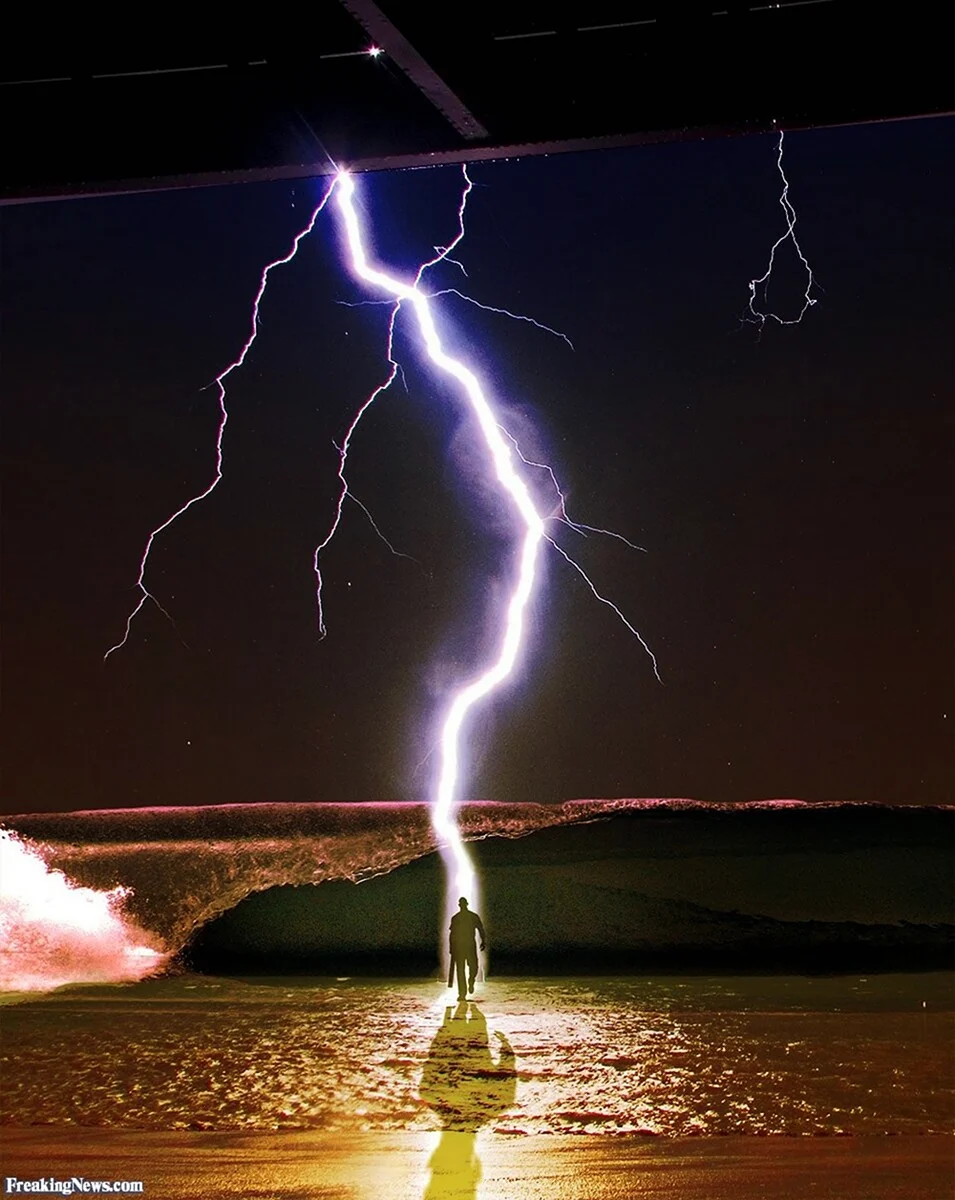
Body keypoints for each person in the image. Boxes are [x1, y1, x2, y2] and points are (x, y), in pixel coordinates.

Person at [448, 897, 486, 1001]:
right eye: (461, 904)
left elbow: (480, 929)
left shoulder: (473, 916)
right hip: (459, 948)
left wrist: (483, 941)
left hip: (470, 946)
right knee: (460, 970)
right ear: (459, 905)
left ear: (466, 905)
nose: (463, 906)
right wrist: (451, 948)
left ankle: (471, 980)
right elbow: (452, 934)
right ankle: (462, 994)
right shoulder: (455, 918)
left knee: (474, 967)